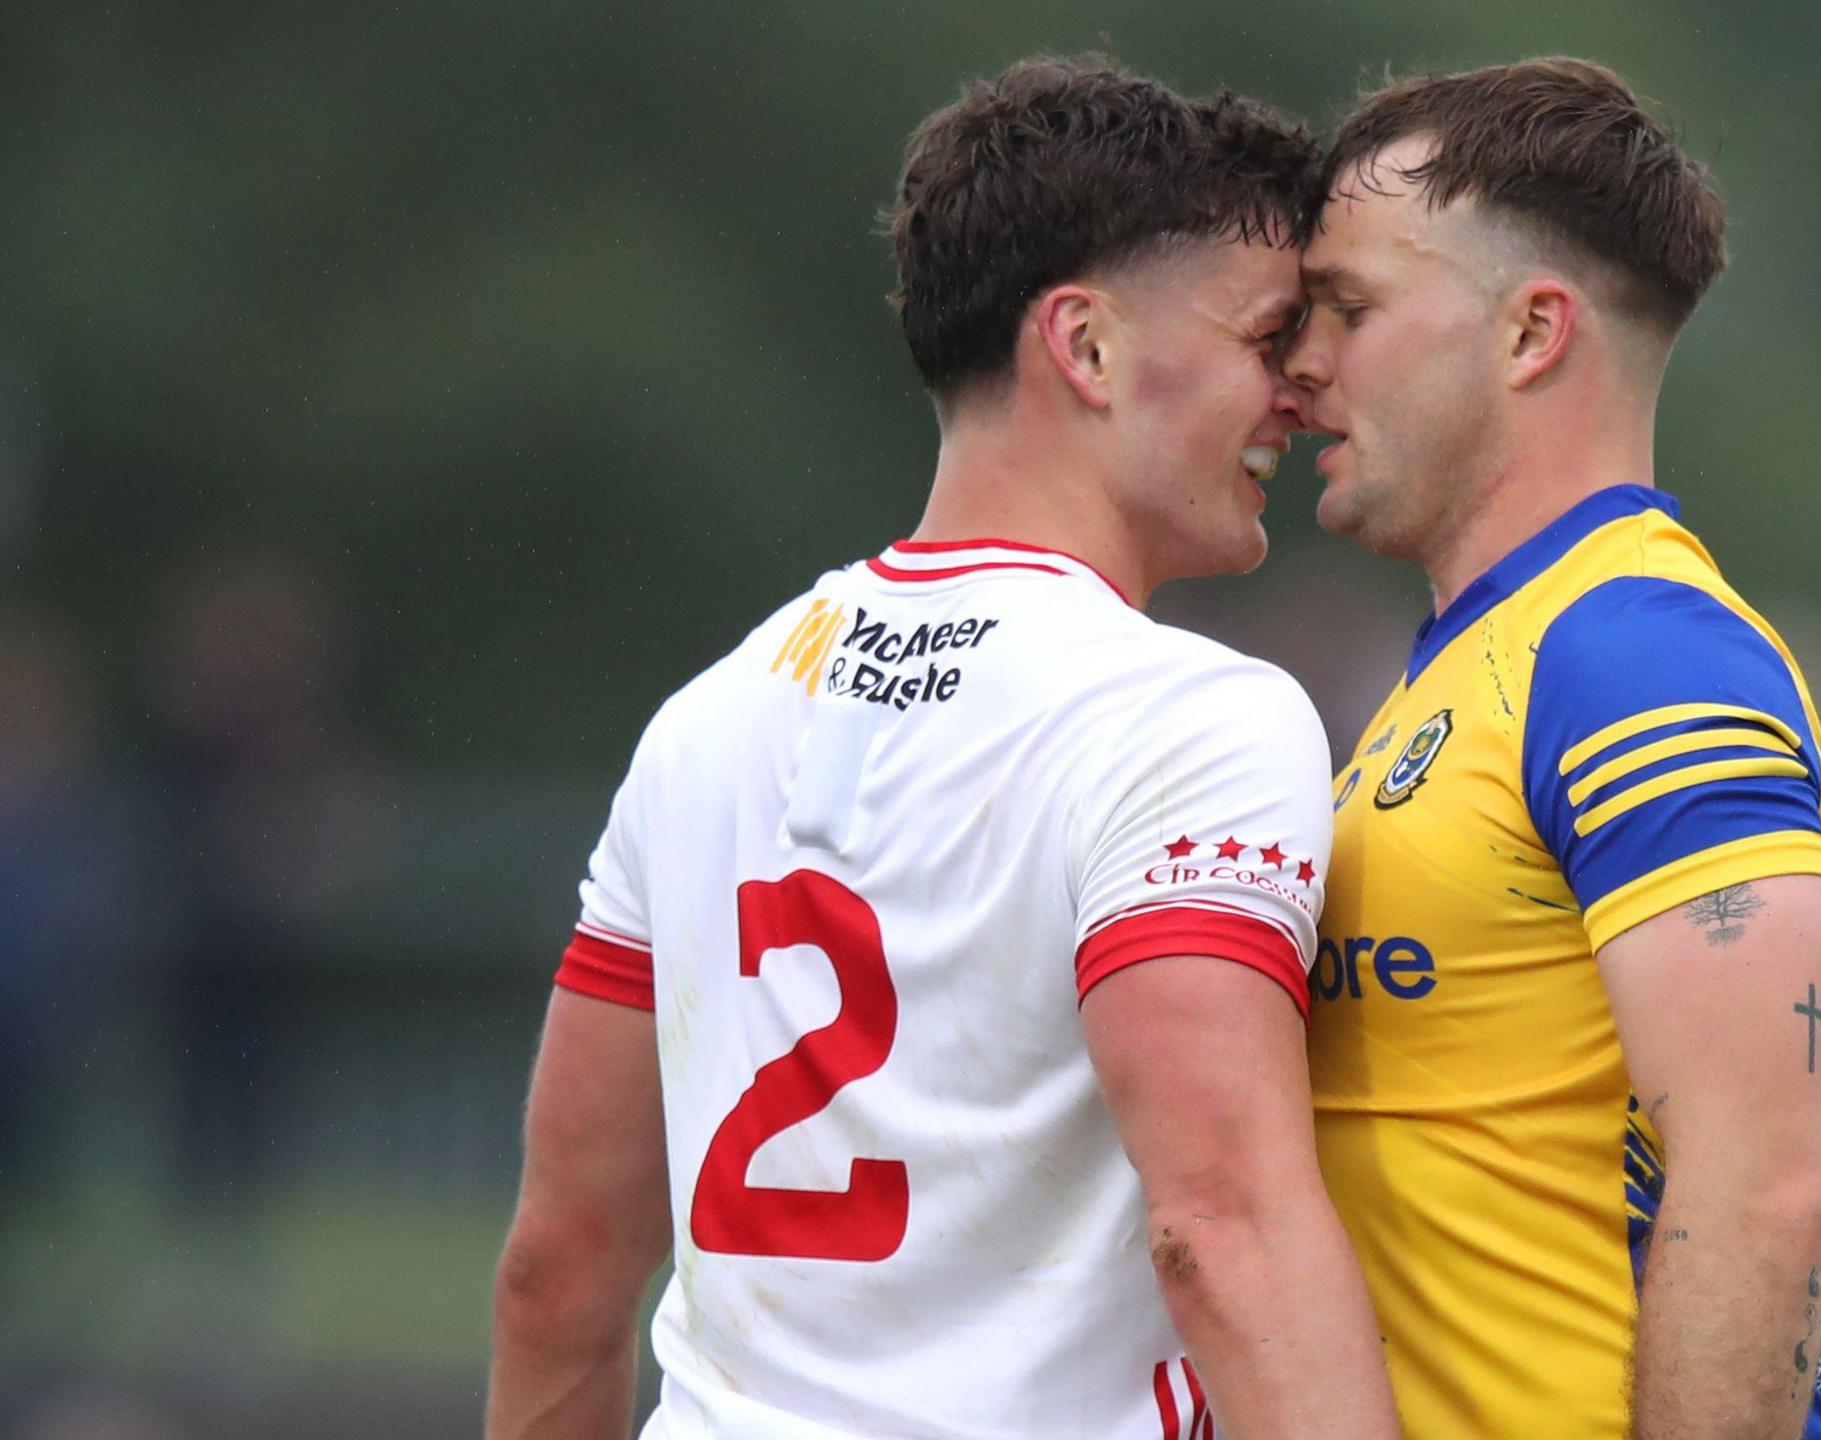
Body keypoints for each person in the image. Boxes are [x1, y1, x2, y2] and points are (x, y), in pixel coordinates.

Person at [487, 57, 1401, 1440]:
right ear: (1085, 347)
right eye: (1265, 338)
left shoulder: (705, 719)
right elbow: (1220, 1228)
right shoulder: (1190, 716)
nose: (1302, 394)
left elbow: (559, 1271)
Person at [1284, 59, 1821, 1439]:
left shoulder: (1636, 652)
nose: (1299, 365)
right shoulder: (1473, 659)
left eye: (1348, 310)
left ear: (1532, 333)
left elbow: (1766, 1187)